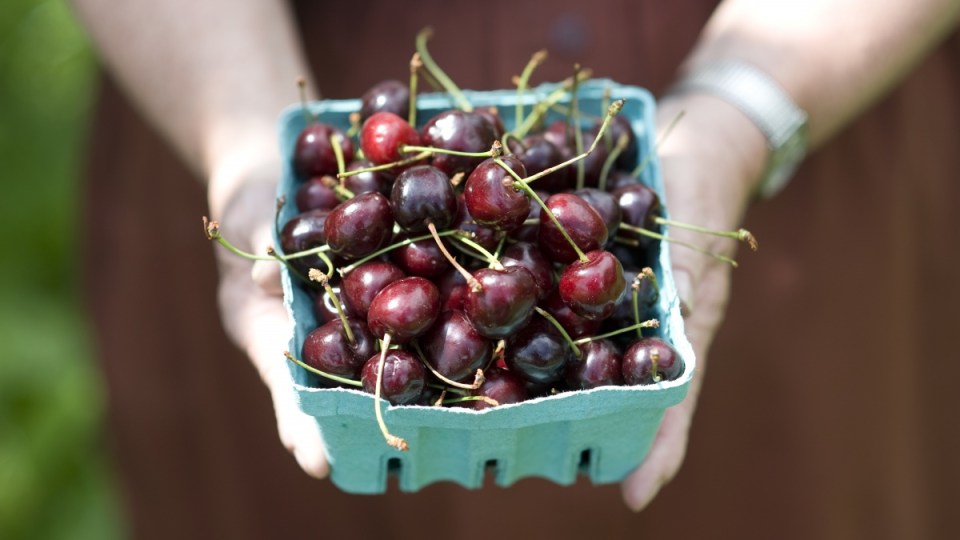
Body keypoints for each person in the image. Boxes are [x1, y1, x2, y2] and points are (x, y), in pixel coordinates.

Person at [73, 0, 960, 537]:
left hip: (800, 83)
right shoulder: (367, 210)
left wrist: (742, 112)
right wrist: (237, 133)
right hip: (228, 60)